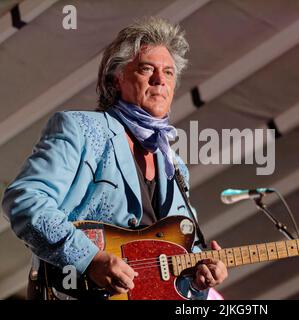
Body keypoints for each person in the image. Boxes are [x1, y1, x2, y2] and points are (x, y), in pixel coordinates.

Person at [1, 17, 227, 300]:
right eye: (147, 69)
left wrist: (200, 272)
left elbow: (179, 248)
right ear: (116, 78)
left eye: (169, 73)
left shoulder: (174, 165)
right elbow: (25, 200)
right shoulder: (81, 129)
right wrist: (90, 259)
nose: (160, 79)